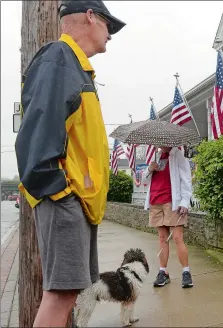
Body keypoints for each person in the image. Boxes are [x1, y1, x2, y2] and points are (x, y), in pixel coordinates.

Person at [14, 1, 125, 327]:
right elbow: (36, 138)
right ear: (90, 16)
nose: (110, 34)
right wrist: (61, 192)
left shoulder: (73, 66)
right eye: (108, 24)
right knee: (61, 294)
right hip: (65, 199)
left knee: (70, 291)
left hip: (75, 201)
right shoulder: (59, 60)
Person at [142, 146, 193, 288]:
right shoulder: (156, 157)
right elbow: (143, 181)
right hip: (155, 201)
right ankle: (163, 272)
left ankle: (186, 272)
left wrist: (185, 201)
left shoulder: (178, 155)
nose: (160, 145)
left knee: (177, 238)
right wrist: (150, 169)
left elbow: (186, 180)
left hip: (172, 202)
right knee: (162, 238)